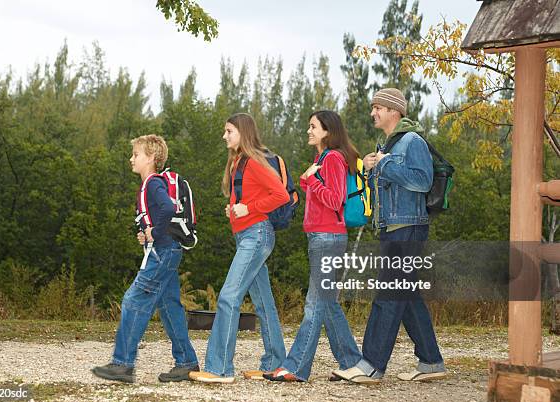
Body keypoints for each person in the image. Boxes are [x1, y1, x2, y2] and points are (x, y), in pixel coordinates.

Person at [332, 88, 446, 384]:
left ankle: (371, 364)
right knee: (406, 297)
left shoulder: (412, 141)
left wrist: (385, 163)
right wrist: (371, 170)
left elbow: (422, 181)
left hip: (408, 228)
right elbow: (386, 191)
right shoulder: (388, 145)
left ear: (394, 111)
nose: (373, 113)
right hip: (393, 227)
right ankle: (432, 362)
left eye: (378, 108)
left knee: (388, 293)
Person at [264, 110, 363, 382]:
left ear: (327, 132)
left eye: (313, 127)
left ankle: (296, 367)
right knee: (328, 303)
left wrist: (310, 180)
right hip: (322, 237)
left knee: (314, 303)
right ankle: (353, 362)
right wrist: (311, 179)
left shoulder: (332, 158)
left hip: (327, 238)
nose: (308, 131)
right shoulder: (322, 158)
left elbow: (335, 200)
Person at [189, 113, 289, 383]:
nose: (224, 136)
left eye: (229, 131)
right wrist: (235, 211)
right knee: (264, 303)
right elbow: (250, 198)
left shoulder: (254, 162)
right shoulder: (238, 163)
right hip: (248, 234)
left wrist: (249, 208)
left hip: (256, 236)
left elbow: (281, 195)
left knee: (228, 297)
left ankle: (219, 369)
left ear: (242, 133)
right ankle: (276, 362)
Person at [92, 134, 199, 384]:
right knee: (169, 306)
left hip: (163, 253)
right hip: (167, 250)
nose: (132, 158)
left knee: (133, 300)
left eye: (136, 154)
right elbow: (160, 214)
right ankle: (186, 363)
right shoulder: (151, 184)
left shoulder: (152, 183)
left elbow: (168, 209)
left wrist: (157, 231)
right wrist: (147, 234)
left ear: (151, 158)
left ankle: (122, 364)